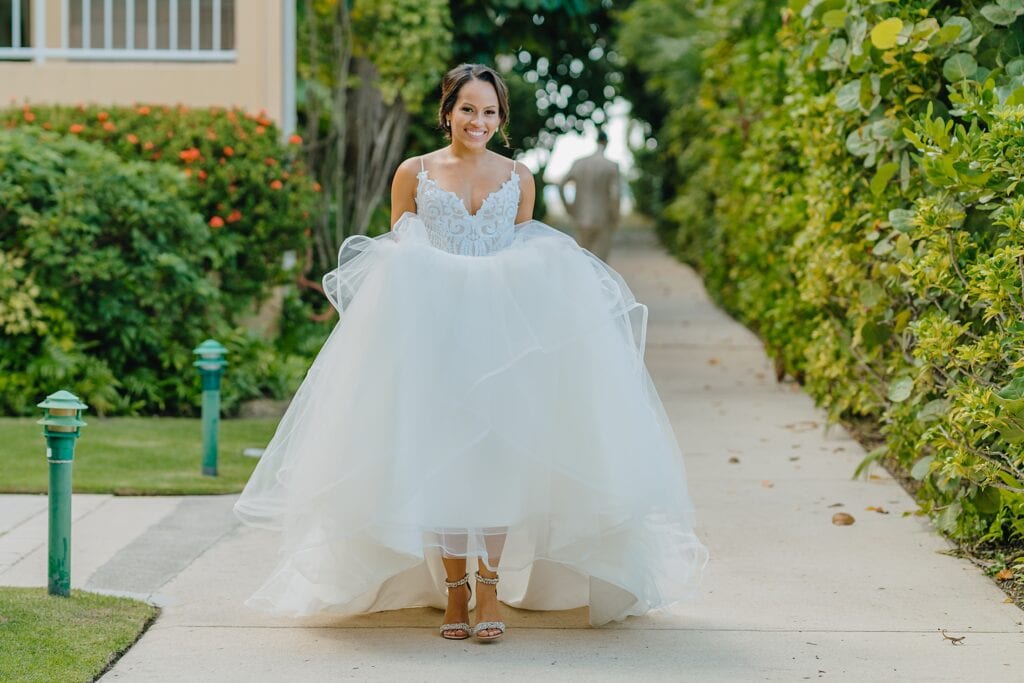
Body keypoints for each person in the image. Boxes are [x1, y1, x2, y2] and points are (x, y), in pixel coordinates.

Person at [234, 63, 708, 643]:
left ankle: (491, 590)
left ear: (500, 118)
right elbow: (399, 259)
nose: (477, 121)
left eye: (489, 111)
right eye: (467, 109)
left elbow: (527, 258)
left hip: (505, 347)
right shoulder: (414, 172)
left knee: (496, 464)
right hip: (432, 340)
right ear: (448, 111)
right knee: (441, 460)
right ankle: (453, 593)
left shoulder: (520, 177)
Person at [558, 129, 621, 261]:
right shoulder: (611, 166)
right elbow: (615, 195)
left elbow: (561, 185)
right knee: (601, 265)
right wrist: (615, 216)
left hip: (580, 216)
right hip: (603, 218)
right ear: (606, 143)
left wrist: (569, 208)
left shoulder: (579, 163)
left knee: (583, 261)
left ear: (596, 141)